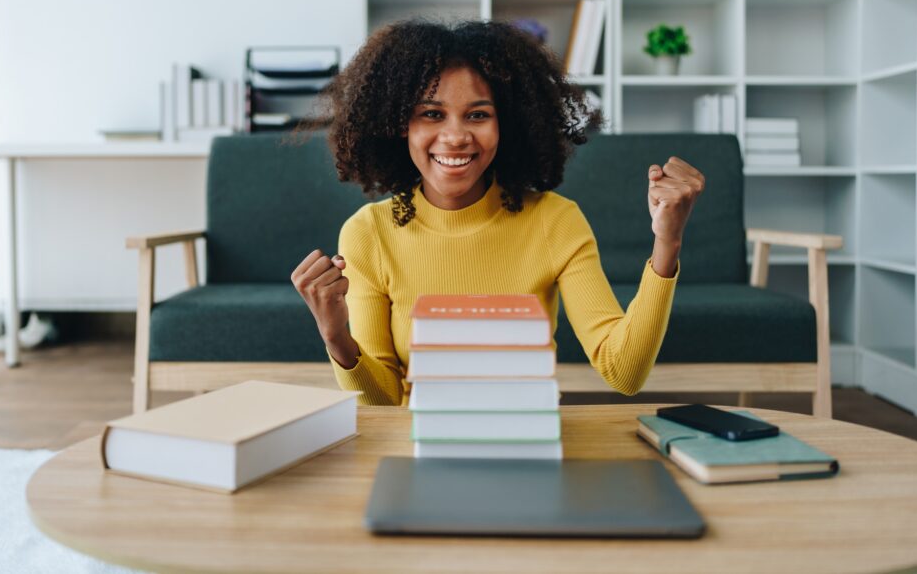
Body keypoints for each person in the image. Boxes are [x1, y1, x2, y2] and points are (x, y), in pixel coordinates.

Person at [291, 20, 704, 406]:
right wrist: (336, 337)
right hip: (422, 451)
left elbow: (623, 372)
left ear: (507, 125)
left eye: (478, 115)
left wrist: (668, 241)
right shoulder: (369, 232)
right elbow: (383, 401)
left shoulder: (555, 221)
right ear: (401, 125)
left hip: (529, 442)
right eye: (432, 114)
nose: (455, 136)